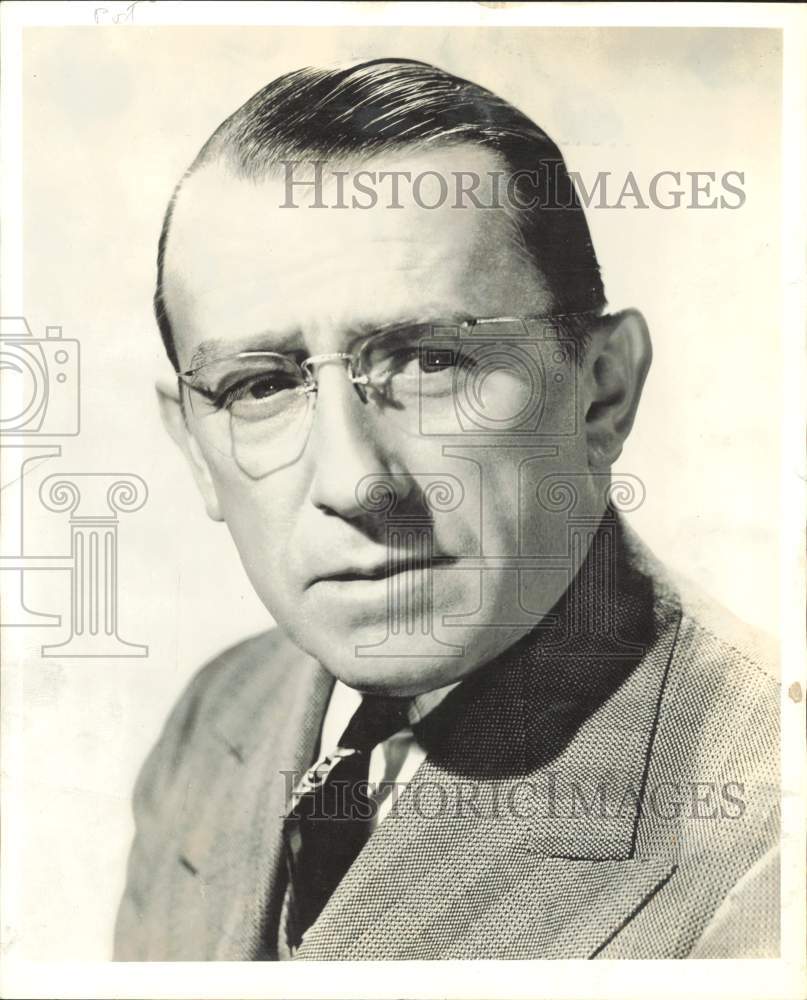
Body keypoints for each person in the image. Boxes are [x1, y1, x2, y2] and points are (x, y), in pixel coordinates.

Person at [114, 59, 779, 961]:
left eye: (431, 362)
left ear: (601, 393)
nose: (352, 482)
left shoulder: (766, 826)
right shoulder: (223, 711)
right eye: (262, 384)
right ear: (196, 446)